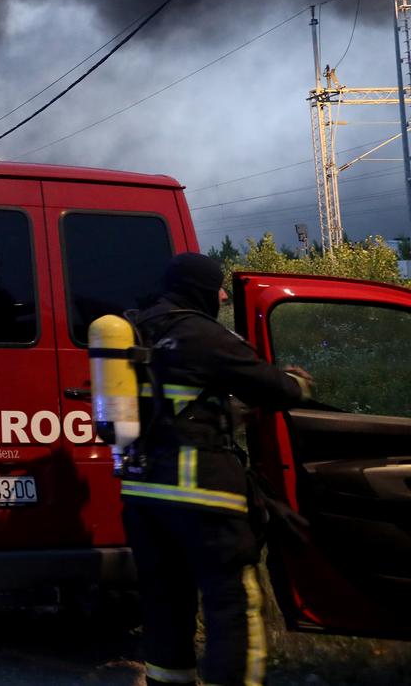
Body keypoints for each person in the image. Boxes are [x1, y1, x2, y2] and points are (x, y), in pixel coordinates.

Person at [120, 252, 314, 686]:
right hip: (202, 497)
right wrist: (298, 382)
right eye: (217, 288)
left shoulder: (138, 330)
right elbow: (273, 387)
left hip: (143, 496)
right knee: (232, 605)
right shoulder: (199, 332)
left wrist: (220, 410)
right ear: (200, 289)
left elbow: (169, 404)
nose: (222, 295)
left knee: (165, 605)